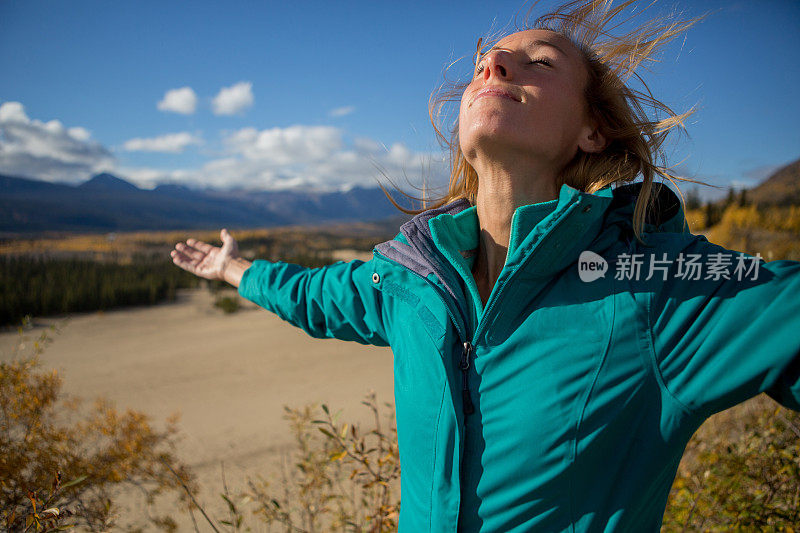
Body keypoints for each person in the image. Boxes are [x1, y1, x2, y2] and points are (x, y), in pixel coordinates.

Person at [171, 0, 800, 530]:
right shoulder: (411, 278)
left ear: (592, 131)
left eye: (540, 63)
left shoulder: (657, 289)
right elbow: (315, 295)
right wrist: (234, 270)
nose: (493, 65)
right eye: (485, 63)